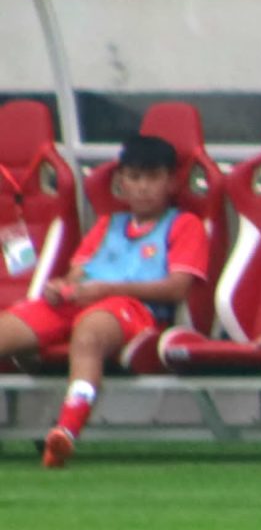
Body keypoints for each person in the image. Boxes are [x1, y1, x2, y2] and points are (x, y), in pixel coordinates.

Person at [0, 137, 209, 471]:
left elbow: (176, 288)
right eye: (135, 178)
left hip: (133, 309)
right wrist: (61, 288)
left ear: (171, 182)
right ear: (121, 182)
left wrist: (105, 289)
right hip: (81, 301)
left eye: (152, 178)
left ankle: (66, 429)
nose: (143, 188)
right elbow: (76, 275)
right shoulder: (107, 225)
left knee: (90, 332)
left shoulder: (184, 225)